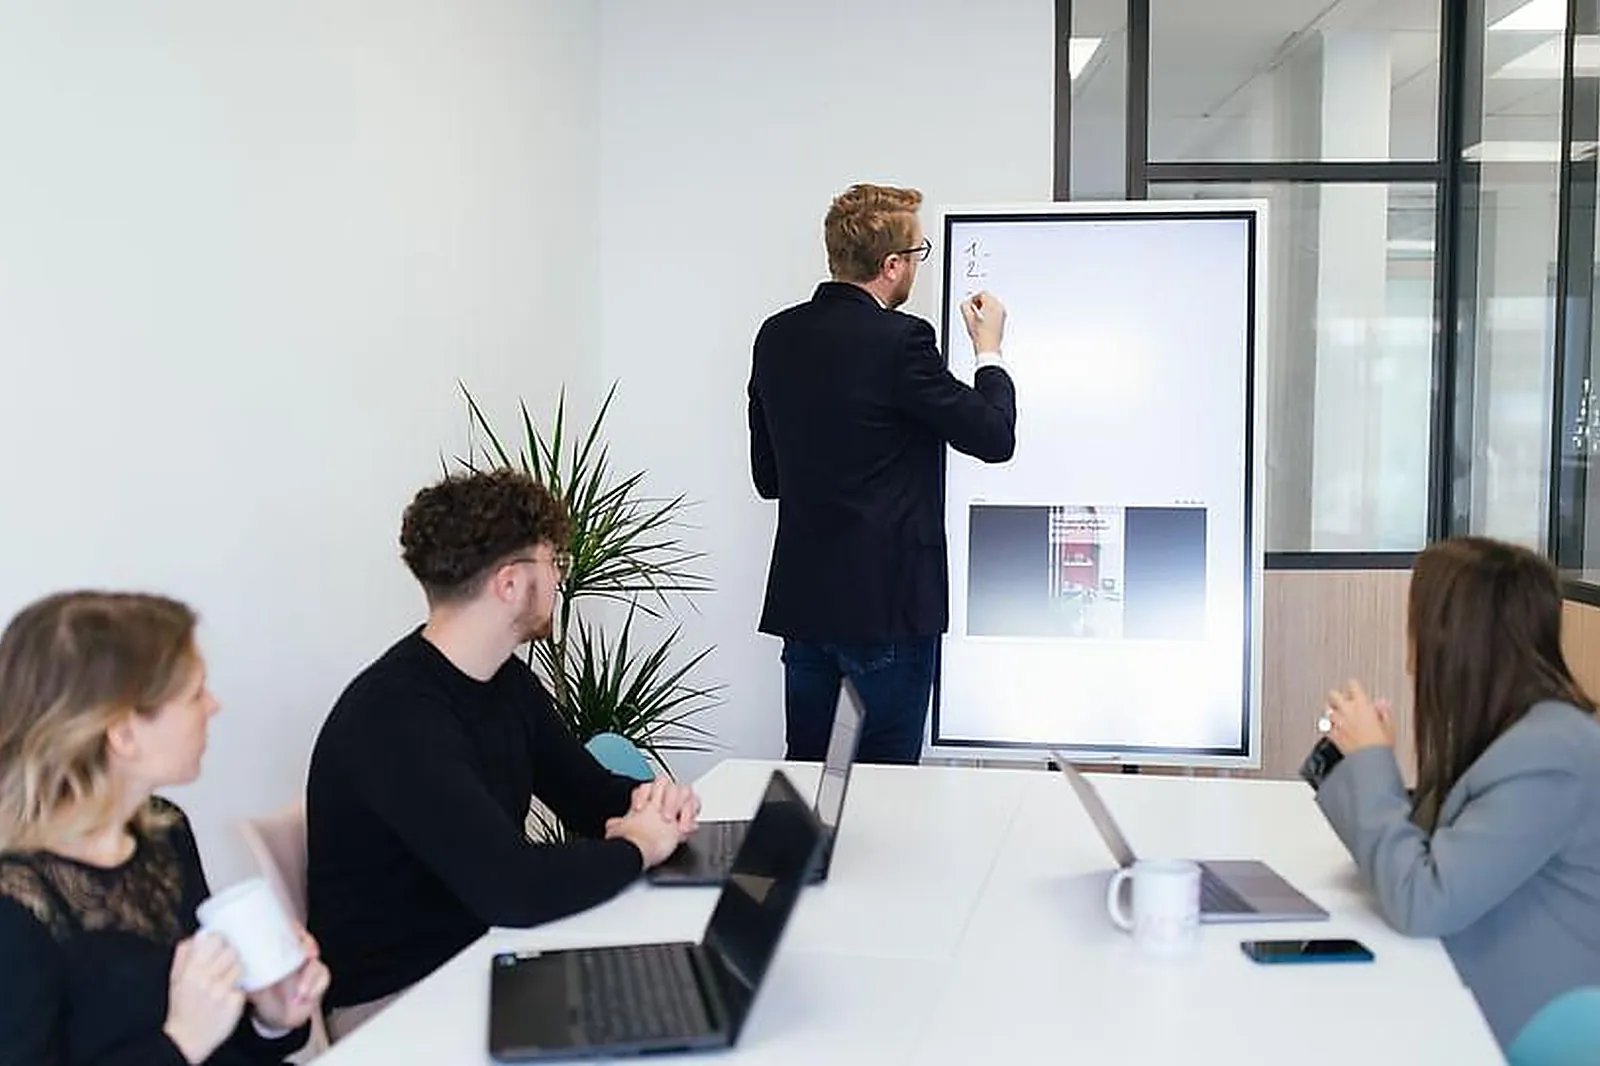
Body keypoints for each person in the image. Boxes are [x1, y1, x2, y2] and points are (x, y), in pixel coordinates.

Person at [306, 469, 701, 1039]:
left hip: (488, 956)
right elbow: (514, 887)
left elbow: (588, 796)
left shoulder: (503, 682)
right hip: (398, 1005)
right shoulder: (394, 718)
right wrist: (639, 845)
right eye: (552, 562)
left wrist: (651, 802)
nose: (560, 580)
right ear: (512, 583)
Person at [747, 182, 1017, 765]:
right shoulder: (902, 342)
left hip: (806, 610)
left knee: (813, 790)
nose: (917, 267)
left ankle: (811, 866)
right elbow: (994, 436)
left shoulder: (775, 337)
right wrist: (988, 350)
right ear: (892, 266)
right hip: (888, 614)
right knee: (886, 792)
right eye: (918, 255)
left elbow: (768, 478)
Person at [0, 591, 330, 1066]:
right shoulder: (18, 908)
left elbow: (224, 1042)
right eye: (195, 692)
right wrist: (179, 1043)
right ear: (123, 734)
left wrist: (271, 1018)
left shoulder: (164, 831)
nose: (213, 705)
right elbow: (191, 1038)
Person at [1316, 537, 1600, 1050]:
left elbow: (1423, 900)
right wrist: (1363, 762)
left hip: (1534, 1032)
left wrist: (1370, 765)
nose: (1411, 662)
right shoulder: (1516, 736)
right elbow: (1430, 846)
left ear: (1458, 641)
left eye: (1418, 635)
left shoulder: (1553, 754)